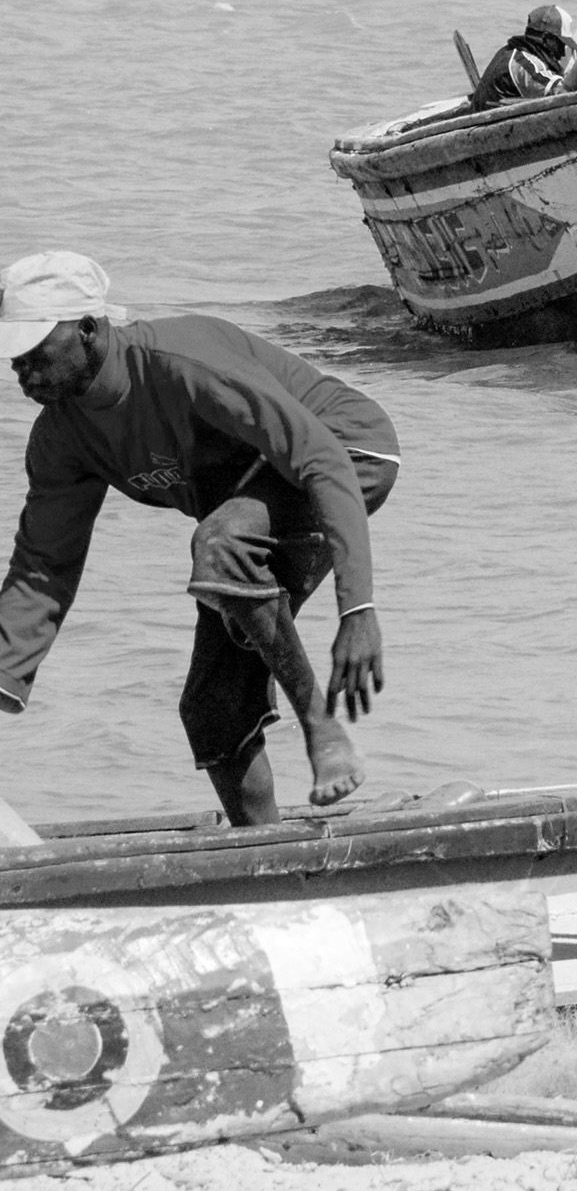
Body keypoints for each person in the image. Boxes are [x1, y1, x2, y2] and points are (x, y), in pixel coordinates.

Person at [0, 252, 400, 829]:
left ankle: (319, 724)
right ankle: (264, 860)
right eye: (13, 354)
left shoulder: (182, 361)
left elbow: (320, 459)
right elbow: (44, 566)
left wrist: (358, 608)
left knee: (219, 543)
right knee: (210, 711)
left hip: (350, 452)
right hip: (248, 506)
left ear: (88, 328)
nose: (22, 367)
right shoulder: (62, 438)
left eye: (36, 347)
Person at [470, 3, 570, 110]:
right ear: (547, 39)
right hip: (489, 122)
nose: (563, 53)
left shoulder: (508, 51)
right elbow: (558, 93)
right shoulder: (523, 62)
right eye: (561, 44)